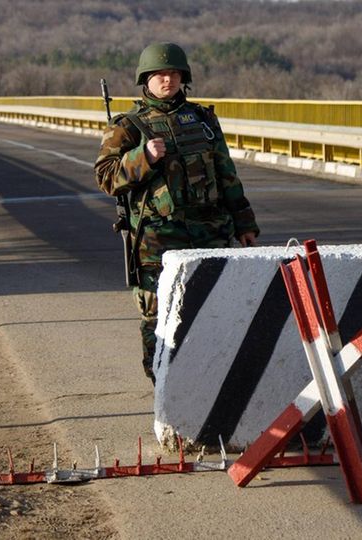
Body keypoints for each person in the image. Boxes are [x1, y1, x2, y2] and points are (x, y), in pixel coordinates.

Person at [94, 42, 260, 384]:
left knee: (215, 309)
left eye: (173, 74)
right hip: (157, 240)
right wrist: (142, 157)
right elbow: (106, 177)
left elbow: (226, 174)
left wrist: (244, 223)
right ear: (146, 79)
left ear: (183, 77)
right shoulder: (128, 126)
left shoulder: (203, 120)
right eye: (159, 74)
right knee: (158, 316)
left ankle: (212, 384)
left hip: (211, 233)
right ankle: (164, 386)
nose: (167, 80)